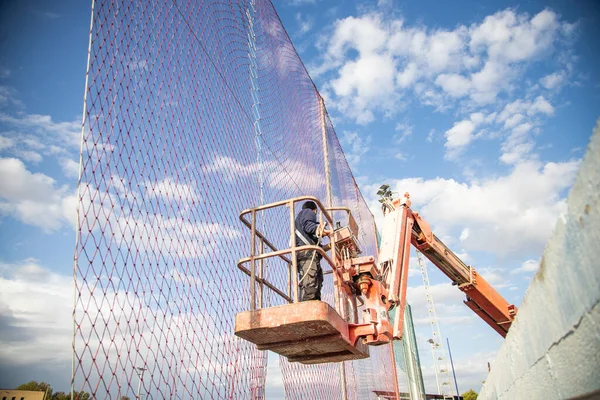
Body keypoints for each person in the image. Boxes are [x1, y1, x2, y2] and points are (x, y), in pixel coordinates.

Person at [294, 201, 330, 301]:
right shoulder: (308, 212)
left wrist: (330, 245)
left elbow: (318, 248)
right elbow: (309, 226)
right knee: (310, 285)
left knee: (315, 283)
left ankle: (312, 307)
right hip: (307, 254)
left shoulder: (300, 220)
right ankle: (307, 310)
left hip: (309, 254)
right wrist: (321, 230)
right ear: (315, 210)